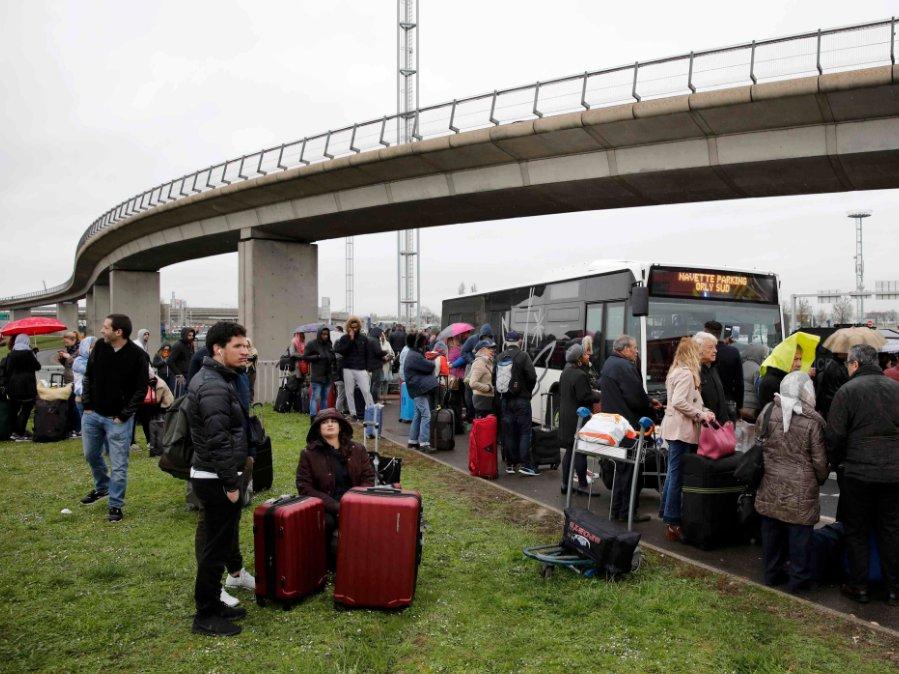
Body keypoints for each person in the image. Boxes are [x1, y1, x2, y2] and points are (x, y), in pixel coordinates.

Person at [187, 321, 253, 637]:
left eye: (246, 345)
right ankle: (205, 615)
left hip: (217, 474)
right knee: (214, 551)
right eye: (237, 346)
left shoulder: (219, 378)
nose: (245, 351)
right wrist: (230, 483)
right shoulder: (212, 385)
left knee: (222, 543)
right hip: (215, 478)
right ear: (218, 349)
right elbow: (218, 440)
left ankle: (214, 603)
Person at [826, 344, 899, 606]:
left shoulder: (847, 391)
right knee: (891, 529)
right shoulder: (895, 388)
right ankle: (894, 589)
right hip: (893, 473)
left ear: (855, 364)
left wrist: (835, 462)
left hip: (858, 472)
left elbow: (835, 435)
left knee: (857, 530)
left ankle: (859, 586)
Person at [754, 371, 828, 593]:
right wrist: (821, 478)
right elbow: (820, 462)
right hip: (800, 491)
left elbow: (759, 442)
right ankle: (798, 581)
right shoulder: (812, 422)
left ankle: (771, 574)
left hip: (770, 485)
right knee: (799, 540)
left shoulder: (768, 410)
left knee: (772, 535)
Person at [79, 314, 150, 522]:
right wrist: (87, 405)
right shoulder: (100, 347)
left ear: (118, 332)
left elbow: (141, 389)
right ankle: (102, 487)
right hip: (92, 415)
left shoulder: (138, 356)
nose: (102, 330)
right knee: (91, 455)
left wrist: (124, 415)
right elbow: (88, 376)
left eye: (106, 327)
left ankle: (115, 505)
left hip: (118, 420)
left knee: (119, 465)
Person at [296, 408, 376, 568]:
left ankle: (367, 561)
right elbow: (305, 487)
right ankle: (325, 563)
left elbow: (368, 478)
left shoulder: (358, 449)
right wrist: (335, 506)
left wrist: (353, 501)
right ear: (318, 428)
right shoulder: (308, 454)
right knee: (326, 522)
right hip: (326, 505)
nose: (330, 424)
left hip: (356, 502)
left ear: (340, 426)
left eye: (334, 421)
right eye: (325, 422)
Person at [658, 337, 715, 541]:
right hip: (682, 431)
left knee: (673, 473)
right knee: (677, 475)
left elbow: (683, 401)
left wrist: (704, 411)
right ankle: (672, 520)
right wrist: (701, 415)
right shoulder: (686, 374)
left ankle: (667, 514)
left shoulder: (676, 371)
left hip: (675, 429)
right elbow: (679, 401)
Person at [599, 335, 660, 522]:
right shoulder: (625, 367)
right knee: (631, 471)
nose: (636, 351)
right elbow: (636, 398)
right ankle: (627, 513)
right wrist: (650, 408)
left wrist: (648, 400)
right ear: (625, 349)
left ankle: (617, 511)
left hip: (615, 426)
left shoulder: (609, 363)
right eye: (634, 348)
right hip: (629, 427)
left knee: (621, 470)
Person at [559, 343, 602, 495]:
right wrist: (598, 395)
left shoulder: (565, 372)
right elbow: (584, 396)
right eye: (584, 354)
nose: (587, 356)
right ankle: (583, 485)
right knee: (580, 452)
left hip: (566, 417)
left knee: (570, 451)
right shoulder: (580, 375)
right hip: (578, 419)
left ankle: (565, 484)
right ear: (578, 359)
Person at [496, 331, 539, 476]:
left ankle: (510, 464)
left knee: (509, 433)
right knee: (524, 432)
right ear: (519, 341)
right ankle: (525, 464)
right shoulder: (523, 356)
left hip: (505, 400)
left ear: (507, 341)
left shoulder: (500, 357)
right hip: (522, 400)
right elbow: (532, 376)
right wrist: (527, 391)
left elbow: (494, 378)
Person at [758, 332, 818, 410]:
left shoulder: (785, 378)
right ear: (784, 359)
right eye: (795, 359)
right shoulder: (772, 384)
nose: (799, 364)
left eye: (800, 359)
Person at [333, 316, 376, 420]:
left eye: (356, 327)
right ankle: (353, 413)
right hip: (348, 367)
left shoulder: (363, 338)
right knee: (349, 392)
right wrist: (351, 339)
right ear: (348, 327)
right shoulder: (344, 338)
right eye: (352, 327)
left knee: (366, 390)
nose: (354, 329)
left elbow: (368, 353)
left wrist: (369, 368)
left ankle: (371, 410)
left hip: (361, 368)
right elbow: (342, 351)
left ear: (359, 327)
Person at [404, 333, 438, 452]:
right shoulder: (415, 356)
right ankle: (424, 443)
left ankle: (412, 441)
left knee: (418, 414)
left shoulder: (412, 354)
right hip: (418, 387)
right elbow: (429, 366)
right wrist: (433, 360)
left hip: (415, 387)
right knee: (426, 415)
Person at [3, 334, 40, 441]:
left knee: (14, 409)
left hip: (14, 385)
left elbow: (8, 370)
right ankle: (19, 432)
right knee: (27, 408)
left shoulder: (11, 354)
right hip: (27, 385)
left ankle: (12, 431)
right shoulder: (29, 353)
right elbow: (37, 367)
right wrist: (35, 354)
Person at [455, 324, 492, 423]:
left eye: (488, 336)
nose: (486, 338)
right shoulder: (472, 339)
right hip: (471, 369)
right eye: (484, 336)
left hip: (484, 371)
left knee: (480, 394)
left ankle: (479, 418)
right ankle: (470, 417)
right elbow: (463, 352)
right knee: (469, 395)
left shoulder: (491, 341)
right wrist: (471, 360)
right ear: (481, 335)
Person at [704, 321, 744, 415]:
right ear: (720, 333)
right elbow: (739, 383)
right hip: (728, 402)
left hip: (705, 403)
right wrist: (739, 406)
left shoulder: (700, 352)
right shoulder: (733, 352)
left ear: (706, 333)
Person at [695, 331, 730, 423]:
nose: (715, 350)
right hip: (703, 426)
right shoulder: (692, 372)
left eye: (715, 347)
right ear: (699, 349)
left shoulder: (712, 368)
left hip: (718, 425)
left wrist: (725, 420)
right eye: (710, 347)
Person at [302, 326, 335, 418]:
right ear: (319, 334)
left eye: (327, 334)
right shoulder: (312, 344)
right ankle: (313, 417)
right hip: (317, 375)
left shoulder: (329, 344)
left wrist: (331, 356)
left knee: (325, 398)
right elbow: (304, 357)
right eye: (323, 334)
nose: (325, 336)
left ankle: (323, 417)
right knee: (315, 398)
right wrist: (317, 357)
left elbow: (332, 357)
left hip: (328, 376)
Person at [468, 338, 497, 419]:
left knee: (488, 424)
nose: (492, 350)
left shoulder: (489, 361)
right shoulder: (479, 363)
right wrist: (488, 388)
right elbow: (472, 383)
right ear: (482, 350)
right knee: (483, 424)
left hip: (488, 399)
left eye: (493, 348)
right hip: (482, 400)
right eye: (489, 348)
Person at [815, 350, 849, 419]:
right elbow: (837, 390)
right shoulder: (835, 367)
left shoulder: (837, 364)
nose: (847, 353)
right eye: (845, 351)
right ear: (839, 352)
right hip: (833, 407)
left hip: (831, 406)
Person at [740, 343, 768, 421]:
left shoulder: (741, 366)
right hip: (752, 408)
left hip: (739, 405)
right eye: (764, 357)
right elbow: (759, 390)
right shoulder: (758, 369)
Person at [167, 327, 196, 393]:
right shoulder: (178, 346)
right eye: (189, 335)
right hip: (180, 377)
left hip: (188, 374)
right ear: (184, 335)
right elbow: (170, 361)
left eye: (192, 335)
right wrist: (179, 374)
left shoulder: (190, 345)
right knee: (180, 395)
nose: (191, 337)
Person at [365, 326, 389, 404]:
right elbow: (378, 352)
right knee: (376, 383)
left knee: (371, 383)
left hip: (369, 364)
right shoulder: (375, 340)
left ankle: (370, 400)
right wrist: (386, 352)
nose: (381, 335)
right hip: (376, 365)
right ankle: (374, 400)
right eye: (380, 333)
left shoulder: (368, 339)